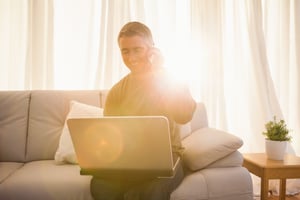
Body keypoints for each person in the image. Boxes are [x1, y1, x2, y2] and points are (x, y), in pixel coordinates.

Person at [90, 21, 196, 200]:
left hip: (169, 158)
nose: (131, 58)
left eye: (137, 49)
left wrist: (159, 71)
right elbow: (111, 135)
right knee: (100, 186)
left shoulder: (170, 79)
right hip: (130, 161)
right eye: (125, 51)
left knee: (149, 192)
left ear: (152, 49)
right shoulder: (117, 91)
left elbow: (184, 115)